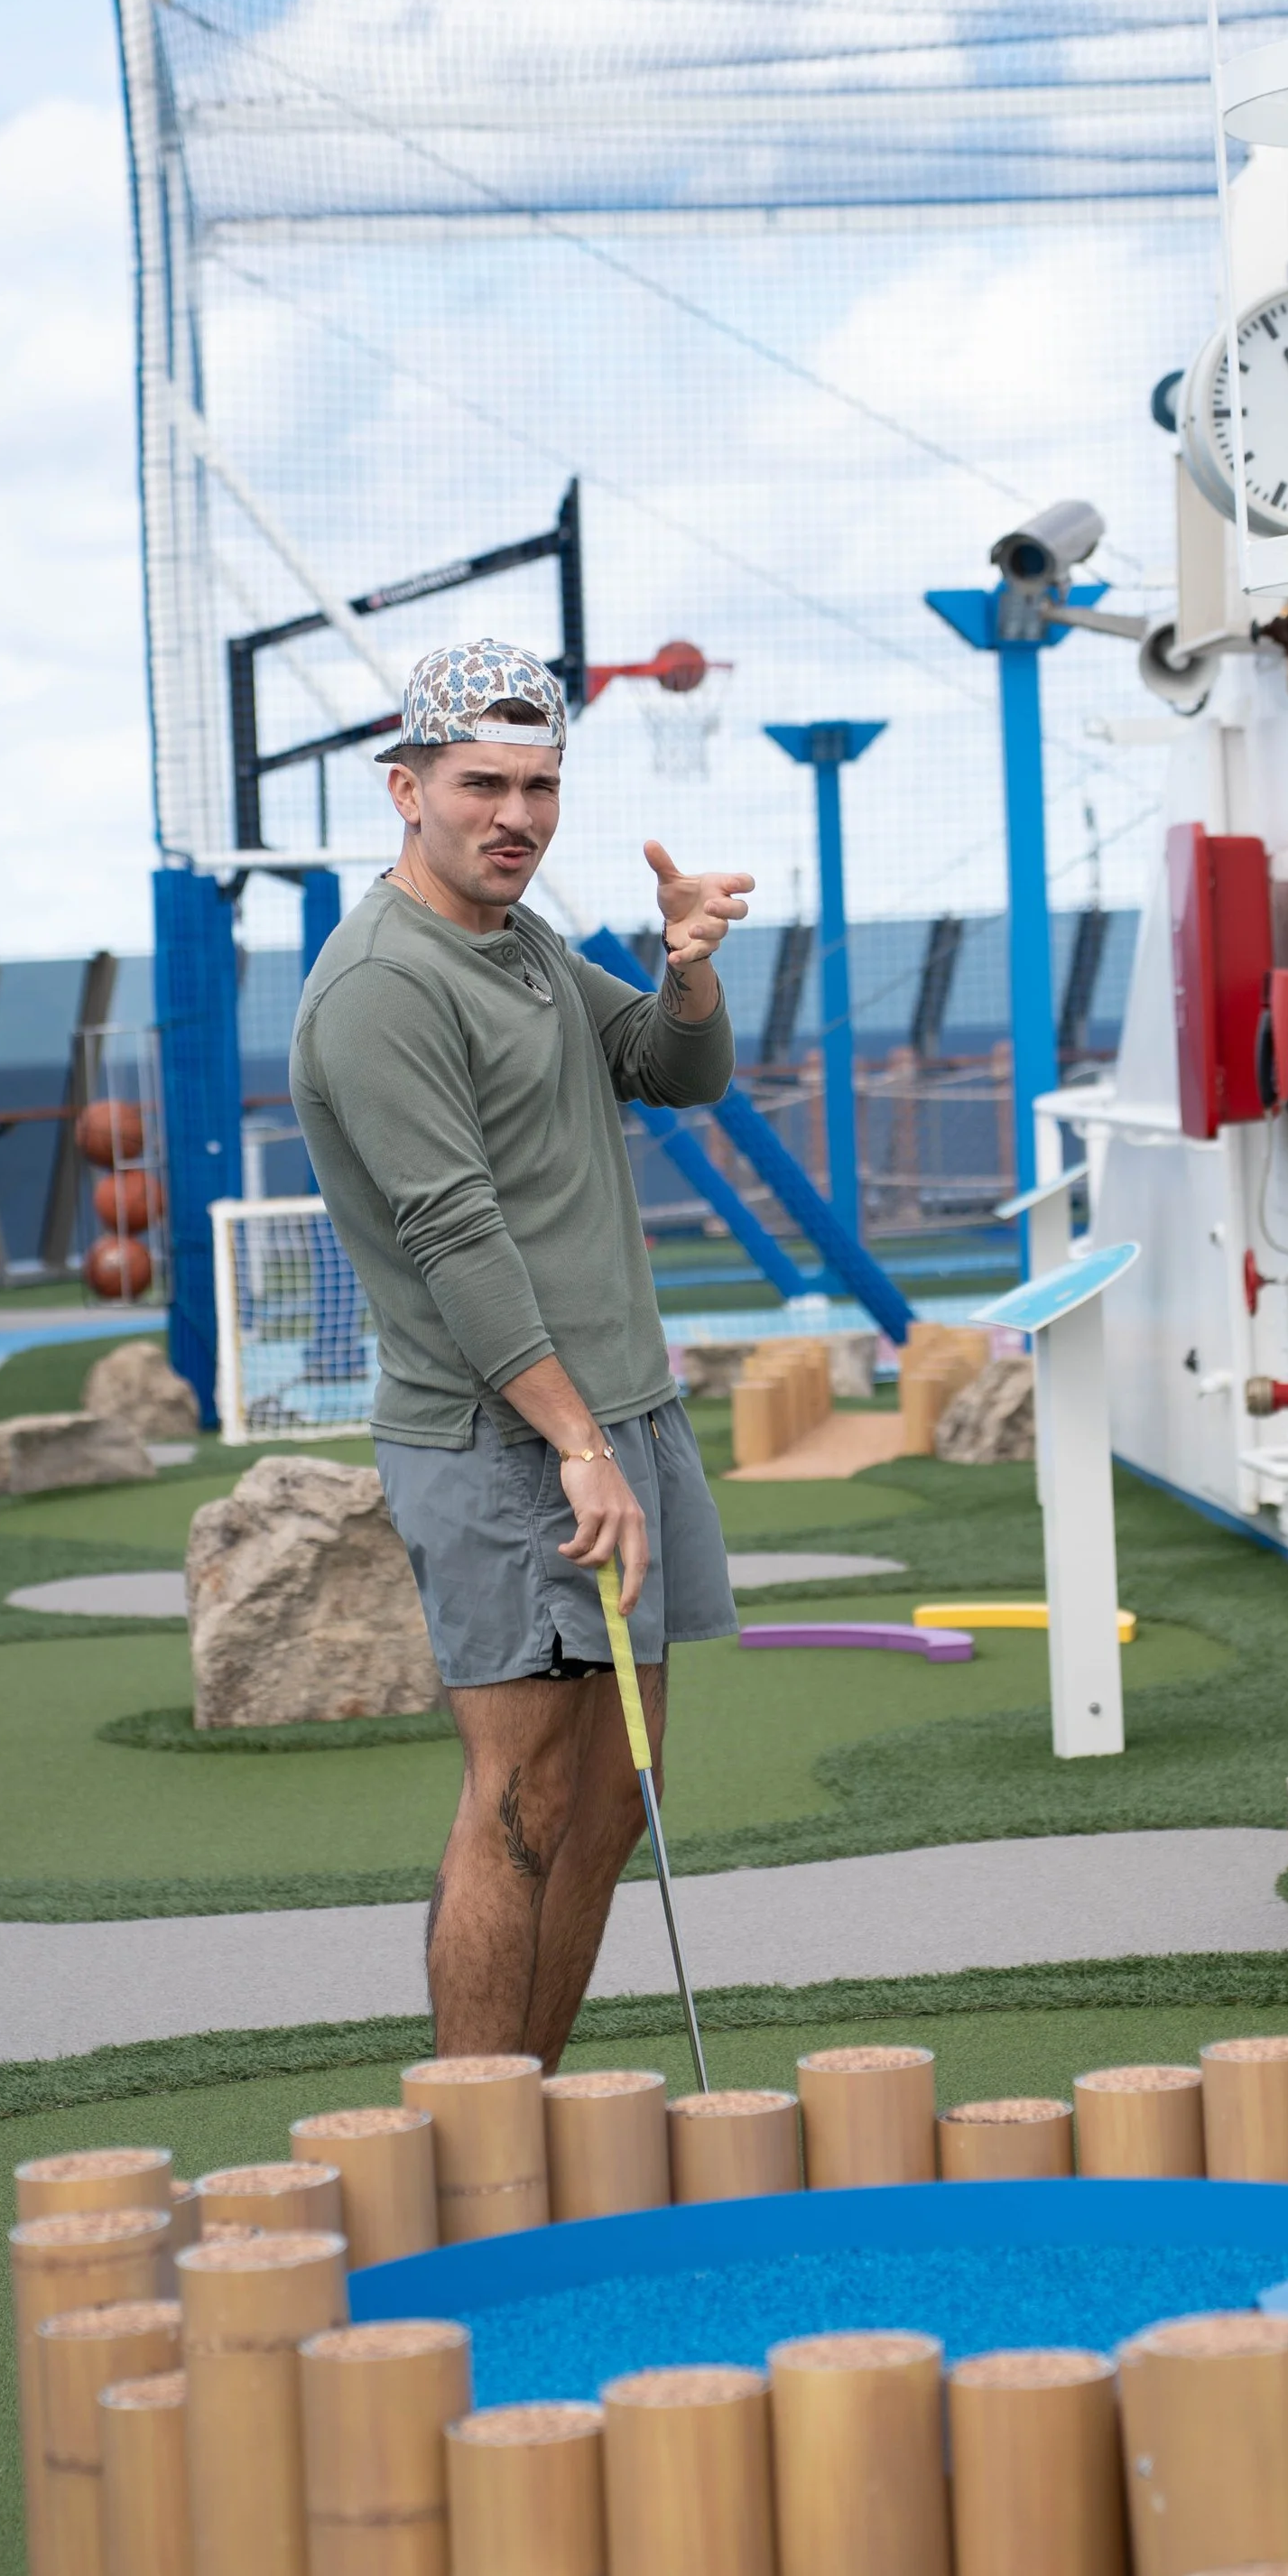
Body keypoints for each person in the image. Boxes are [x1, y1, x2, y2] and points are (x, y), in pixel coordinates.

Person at [289, 637, 754, 2065]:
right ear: (405, 786)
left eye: (539, 785)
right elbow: (453, 1238)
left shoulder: (526, 940)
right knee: (522, 1802)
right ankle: (478, 2143)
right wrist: (578, 1445)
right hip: (507, 1437)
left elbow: (674, 1072)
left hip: (617, 1411)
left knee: (619, 1793)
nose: (516, 815)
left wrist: (685, 973)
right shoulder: (382, 985)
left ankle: (527, 2107)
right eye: (481, 782)